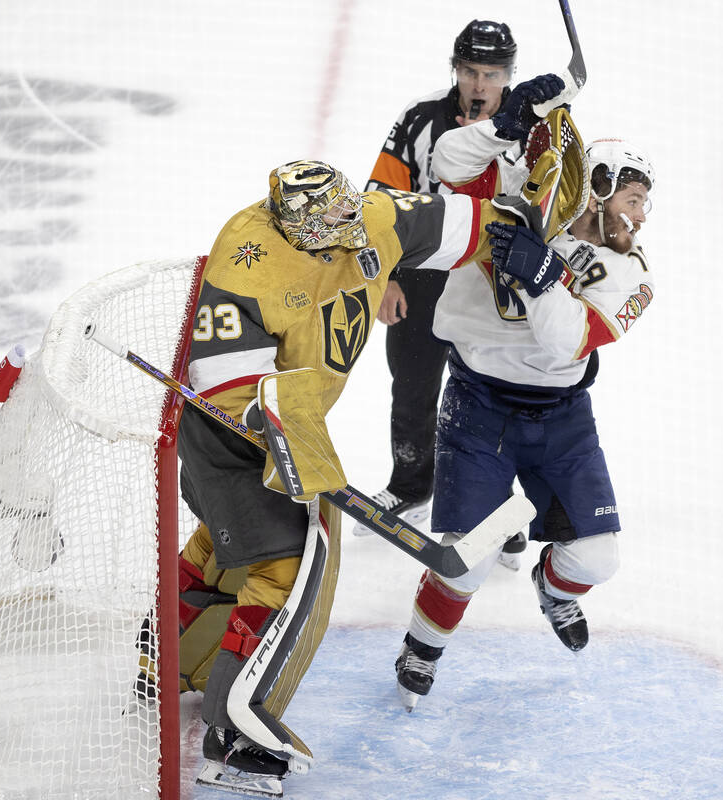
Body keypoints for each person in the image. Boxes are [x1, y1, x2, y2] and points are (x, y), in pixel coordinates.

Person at [173, 80, 567, 796]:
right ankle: (232, 741)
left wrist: (522, 237)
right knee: (289, 573)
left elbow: (468, 221)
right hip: (231, 440)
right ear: (293, 227)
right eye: (332, 231)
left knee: (222, 550)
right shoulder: (246, 255)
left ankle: (164, 664)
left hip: (294, 427)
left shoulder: (371, 217)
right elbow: (234, 390)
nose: (353, 239)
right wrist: (307, 459)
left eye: (353, 220)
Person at [392, 106, 658, 711]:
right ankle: (421, 648)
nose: (640, 217)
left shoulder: (632, 275)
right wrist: (504, 124)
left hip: (562, 418)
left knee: (595, 559)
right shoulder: (517, 199)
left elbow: (566, 340)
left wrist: (540, 275)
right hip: (477, 404)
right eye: (634, 198)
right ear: (596, 187)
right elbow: (447, 164)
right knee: (464, 564)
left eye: (644, 202)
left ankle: (551, 585)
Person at [359, 18, 529, 569]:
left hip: (494, 278)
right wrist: (385, 277)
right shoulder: (418, 118)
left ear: (509, 75)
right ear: (455, 70)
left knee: (494, 395)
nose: (480, 85)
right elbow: (379, 200)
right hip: (423, 276)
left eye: (492, 73)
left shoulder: (529, 128)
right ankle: (411, 484)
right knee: (412, 383)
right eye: (471, 72)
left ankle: (501, 507)